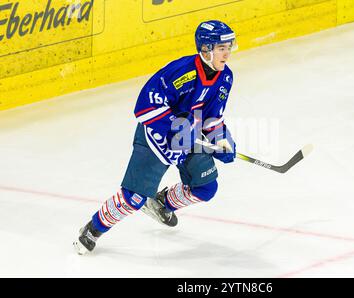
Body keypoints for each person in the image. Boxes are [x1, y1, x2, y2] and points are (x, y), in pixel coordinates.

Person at [74, 20, 238, 255]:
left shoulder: (225, 78)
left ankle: (162, 203)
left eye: (229, 47)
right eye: (222, 48)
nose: (227, 53)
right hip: (157, 137)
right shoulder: (181, 72)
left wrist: (221, 139)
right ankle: (93, 229)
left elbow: (212, 116)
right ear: (206, 49)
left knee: (206, 187)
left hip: (188, 139)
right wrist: (176, 127)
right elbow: (144, 107)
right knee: (134, 198)